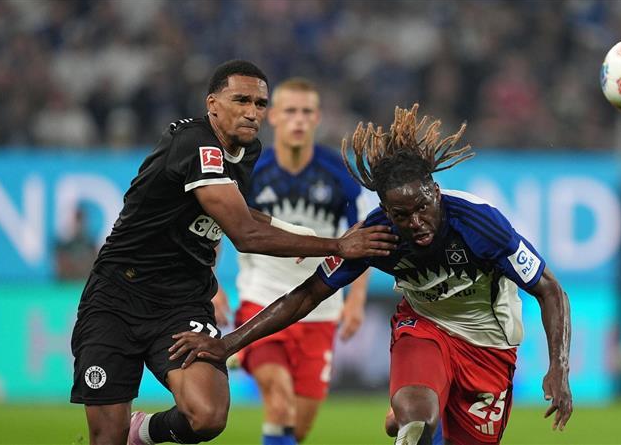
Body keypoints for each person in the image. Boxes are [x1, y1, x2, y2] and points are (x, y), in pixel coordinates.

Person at [169, 104, 574, 445]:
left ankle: (406, 411)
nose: (414, 222)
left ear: (434, 190)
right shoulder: (376, 235)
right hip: (425, 328)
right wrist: (229, 343)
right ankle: (411, 407)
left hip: (489, 344)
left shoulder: (480, 224)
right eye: (401, 215)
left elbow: (550, 290)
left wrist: (558, 367)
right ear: (385, 210)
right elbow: (306, 296)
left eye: (420, 207)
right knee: (419, 418)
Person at [69, 59, 397, 445]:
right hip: (117, 298)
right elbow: (242, 232)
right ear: (212, 103)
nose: (252, 112)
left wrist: (294, 232)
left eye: (259, 103)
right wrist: (336, 245)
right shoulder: (194, 145)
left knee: (207, 417)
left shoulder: (246, 151)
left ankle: (142, 432)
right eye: (241, 100)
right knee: (106, 437)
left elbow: (236, 210)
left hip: (180, 303)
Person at [211, 77, 373, 444]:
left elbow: (360, 241)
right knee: (279, 403)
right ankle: (246, 353)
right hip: (261, 299)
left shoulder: (341, 175)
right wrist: (213, 284)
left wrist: (356, 301)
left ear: (317, 118)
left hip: (320, 306)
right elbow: (216, 225)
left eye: (306, 112)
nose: (298, 120)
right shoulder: (251, 171)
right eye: (290, 112)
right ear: (273, 118)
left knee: (297, 428)